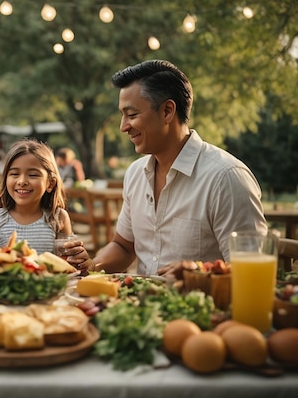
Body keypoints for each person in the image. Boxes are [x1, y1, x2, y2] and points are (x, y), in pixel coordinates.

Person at [87, 60, 267, 279]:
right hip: (141, 307)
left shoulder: (227, 178)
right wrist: (90, 267)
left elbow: (253, 273)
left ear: (167, 111)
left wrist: (198, 273)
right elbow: (124, 246)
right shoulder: (135, 173)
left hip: (204, 310)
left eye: (132, 115)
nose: (123, 126)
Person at [0, 139, 90, 268]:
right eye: (14, 174)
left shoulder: (58, 218)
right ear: (5, 178)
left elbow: (67, 266)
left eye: (32, 175)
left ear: (50, 183)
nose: (22, 181)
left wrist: (82, 262)